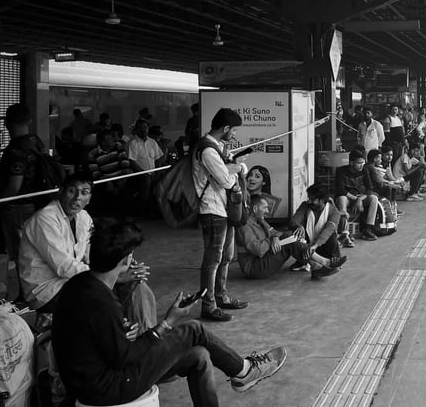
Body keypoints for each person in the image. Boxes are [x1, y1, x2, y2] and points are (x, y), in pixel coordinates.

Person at [53, 218, 287, 407]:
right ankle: (244, 371)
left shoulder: (81, 284)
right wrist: (166, 324)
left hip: (93, 376)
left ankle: (240, 374)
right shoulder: (102, 302)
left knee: (199, 356)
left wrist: (126, 289)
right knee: (192, 329)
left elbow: (103, 336)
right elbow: (125, 357)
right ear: (126, 259)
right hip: (108, 387)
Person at [18, 170, 156, 333]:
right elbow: (64, 267)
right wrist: (113, 274)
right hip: (48, 291)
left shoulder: (83, 217)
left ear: (89, 198)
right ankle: (120, 340)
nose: (77, 198)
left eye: (84, 193)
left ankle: (146, 339)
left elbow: (92, 257)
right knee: (104, 298)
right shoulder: (45, 219)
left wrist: (120, 264)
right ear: (60, 191)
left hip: (75, 281)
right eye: (71, 191)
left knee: (137, 285)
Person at [193, 108, 250, 322]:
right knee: (213, 259)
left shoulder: (217, 148)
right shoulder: (207, 150)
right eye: (234, 130)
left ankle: (221, 296)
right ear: (225, 128)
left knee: (225, 257)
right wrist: (237, 167)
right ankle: (208, 305)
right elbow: (225, 180)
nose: (234, 134)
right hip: (211, 209)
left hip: (223, 208)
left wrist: (233, 165)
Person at [236, 183, 344, 280]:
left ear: (321, 200)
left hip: (320, 245)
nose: (267, 211)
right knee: (290, 238)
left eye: (313, 199)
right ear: (255, 209)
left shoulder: (260, 221)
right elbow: (259, 250)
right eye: (265, 208)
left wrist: (275, 238)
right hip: (254, 268)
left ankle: (317, 265)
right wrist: (273, 239)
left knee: (289, 237)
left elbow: (276, 233)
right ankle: (323, 262)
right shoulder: (244, 226)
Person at [0, 103, 49, 263]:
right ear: (30, 121)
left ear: (6, 123)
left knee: (19, 254)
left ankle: (23, 287)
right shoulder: (37, 143)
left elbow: (14, 187)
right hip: (37, 204)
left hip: (17, 209)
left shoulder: (15, 150)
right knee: (34, 253)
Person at [286, 184, 349, 278]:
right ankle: (323, 264)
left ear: (322, 200)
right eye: (309, 198)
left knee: (331, 236)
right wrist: (299, 226)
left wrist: (315, 245)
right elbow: (294, 221)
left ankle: (322, 261)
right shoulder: (305, 206)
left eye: (312, 199)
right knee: (293, 233)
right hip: (307, 247)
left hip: (324, 247)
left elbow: (328, 229)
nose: (309, 201)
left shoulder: (334, 211)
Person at [334, 149, 380, 241]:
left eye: (363, 163)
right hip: (347, 197)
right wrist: (356, 199)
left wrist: (359, 200)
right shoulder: (341, 171)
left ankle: (368, 228)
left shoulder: (365, 170)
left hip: (360, 197)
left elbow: (369, 189)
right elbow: (340, 190)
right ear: (351, 163)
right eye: (359, 163)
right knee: (341, 199)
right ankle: (344, 232)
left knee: (373, 198)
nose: (362, 165)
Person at [127, 119, 165, 216]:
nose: (143, 130)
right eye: (140, 128)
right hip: (139, 173)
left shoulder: (152, 142)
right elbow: (132, 163)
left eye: (145, 127)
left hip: (153, 172)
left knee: (165, 178)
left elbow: (158, 159)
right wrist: (146, 174)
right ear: (136, 129)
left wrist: (157, 172)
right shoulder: (133, 143)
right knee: (147, 181)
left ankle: (159, 210)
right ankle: (142, 211)